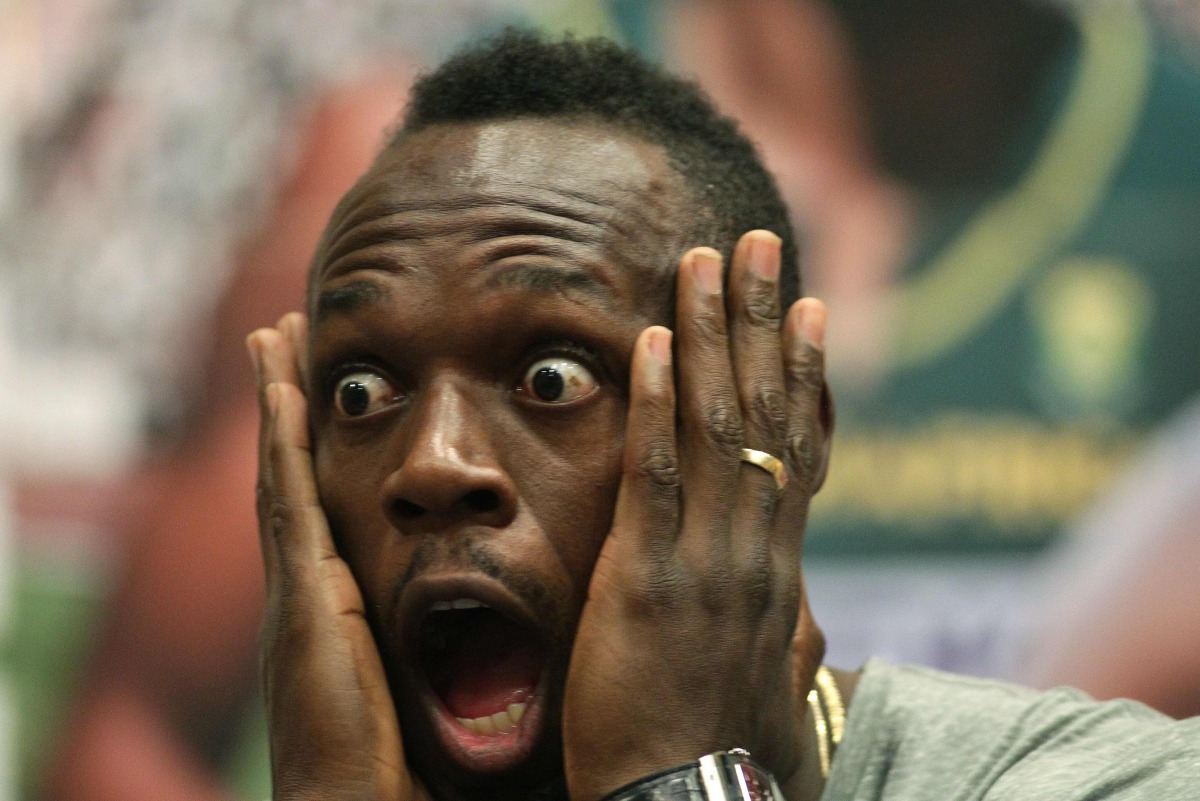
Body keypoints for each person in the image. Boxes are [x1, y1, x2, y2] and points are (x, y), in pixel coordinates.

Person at [245, 31, 1199, 801]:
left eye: (550, 378)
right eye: (361, 393)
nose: (432, 463)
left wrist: (676, 778)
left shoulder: (1101, 781)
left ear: (785, 431)